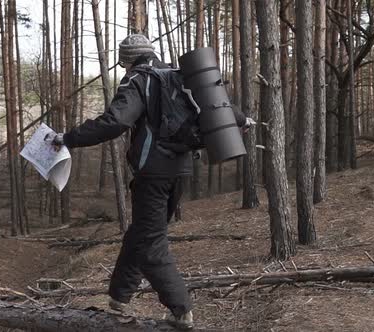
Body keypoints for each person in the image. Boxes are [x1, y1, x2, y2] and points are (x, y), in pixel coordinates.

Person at [47, 34, 245, 330]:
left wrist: (69, 138)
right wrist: (244, 120)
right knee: (142, 233)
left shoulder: (139, 80)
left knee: (151, 244)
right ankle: (118, 298)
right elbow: (224, 110)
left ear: (127, 60)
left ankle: (181, 310)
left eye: (123, 62)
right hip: (181, 170)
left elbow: (116, 122)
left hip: (153, 172)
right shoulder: (180, 76)